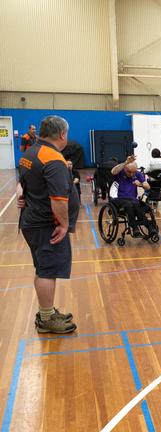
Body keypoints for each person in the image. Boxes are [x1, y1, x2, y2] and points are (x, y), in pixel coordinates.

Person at [17, 115, 80, 334]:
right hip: (47, 225)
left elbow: (21, 184)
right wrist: (63, 224)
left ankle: (47, 312)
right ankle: (46, 320)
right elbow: (58, 199)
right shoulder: (53, 159)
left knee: (44, 268)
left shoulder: (30, 153)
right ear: (62, 134)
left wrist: (22, 196)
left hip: (32, 220)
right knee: (47, 270)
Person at [110, 156, 151, 237]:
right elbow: (113, 171)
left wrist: (140, 184)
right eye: (129, 172)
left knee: (136, 204)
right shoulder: (119, 172)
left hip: (132, 200)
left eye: (134, 172)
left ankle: (149, 226)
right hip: (118, 199)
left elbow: (148, 186)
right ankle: (134, 227)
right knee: (129, 204)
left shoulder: (137, 174)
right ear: (125, 168)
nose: (132, 174)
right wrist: (125, 162)